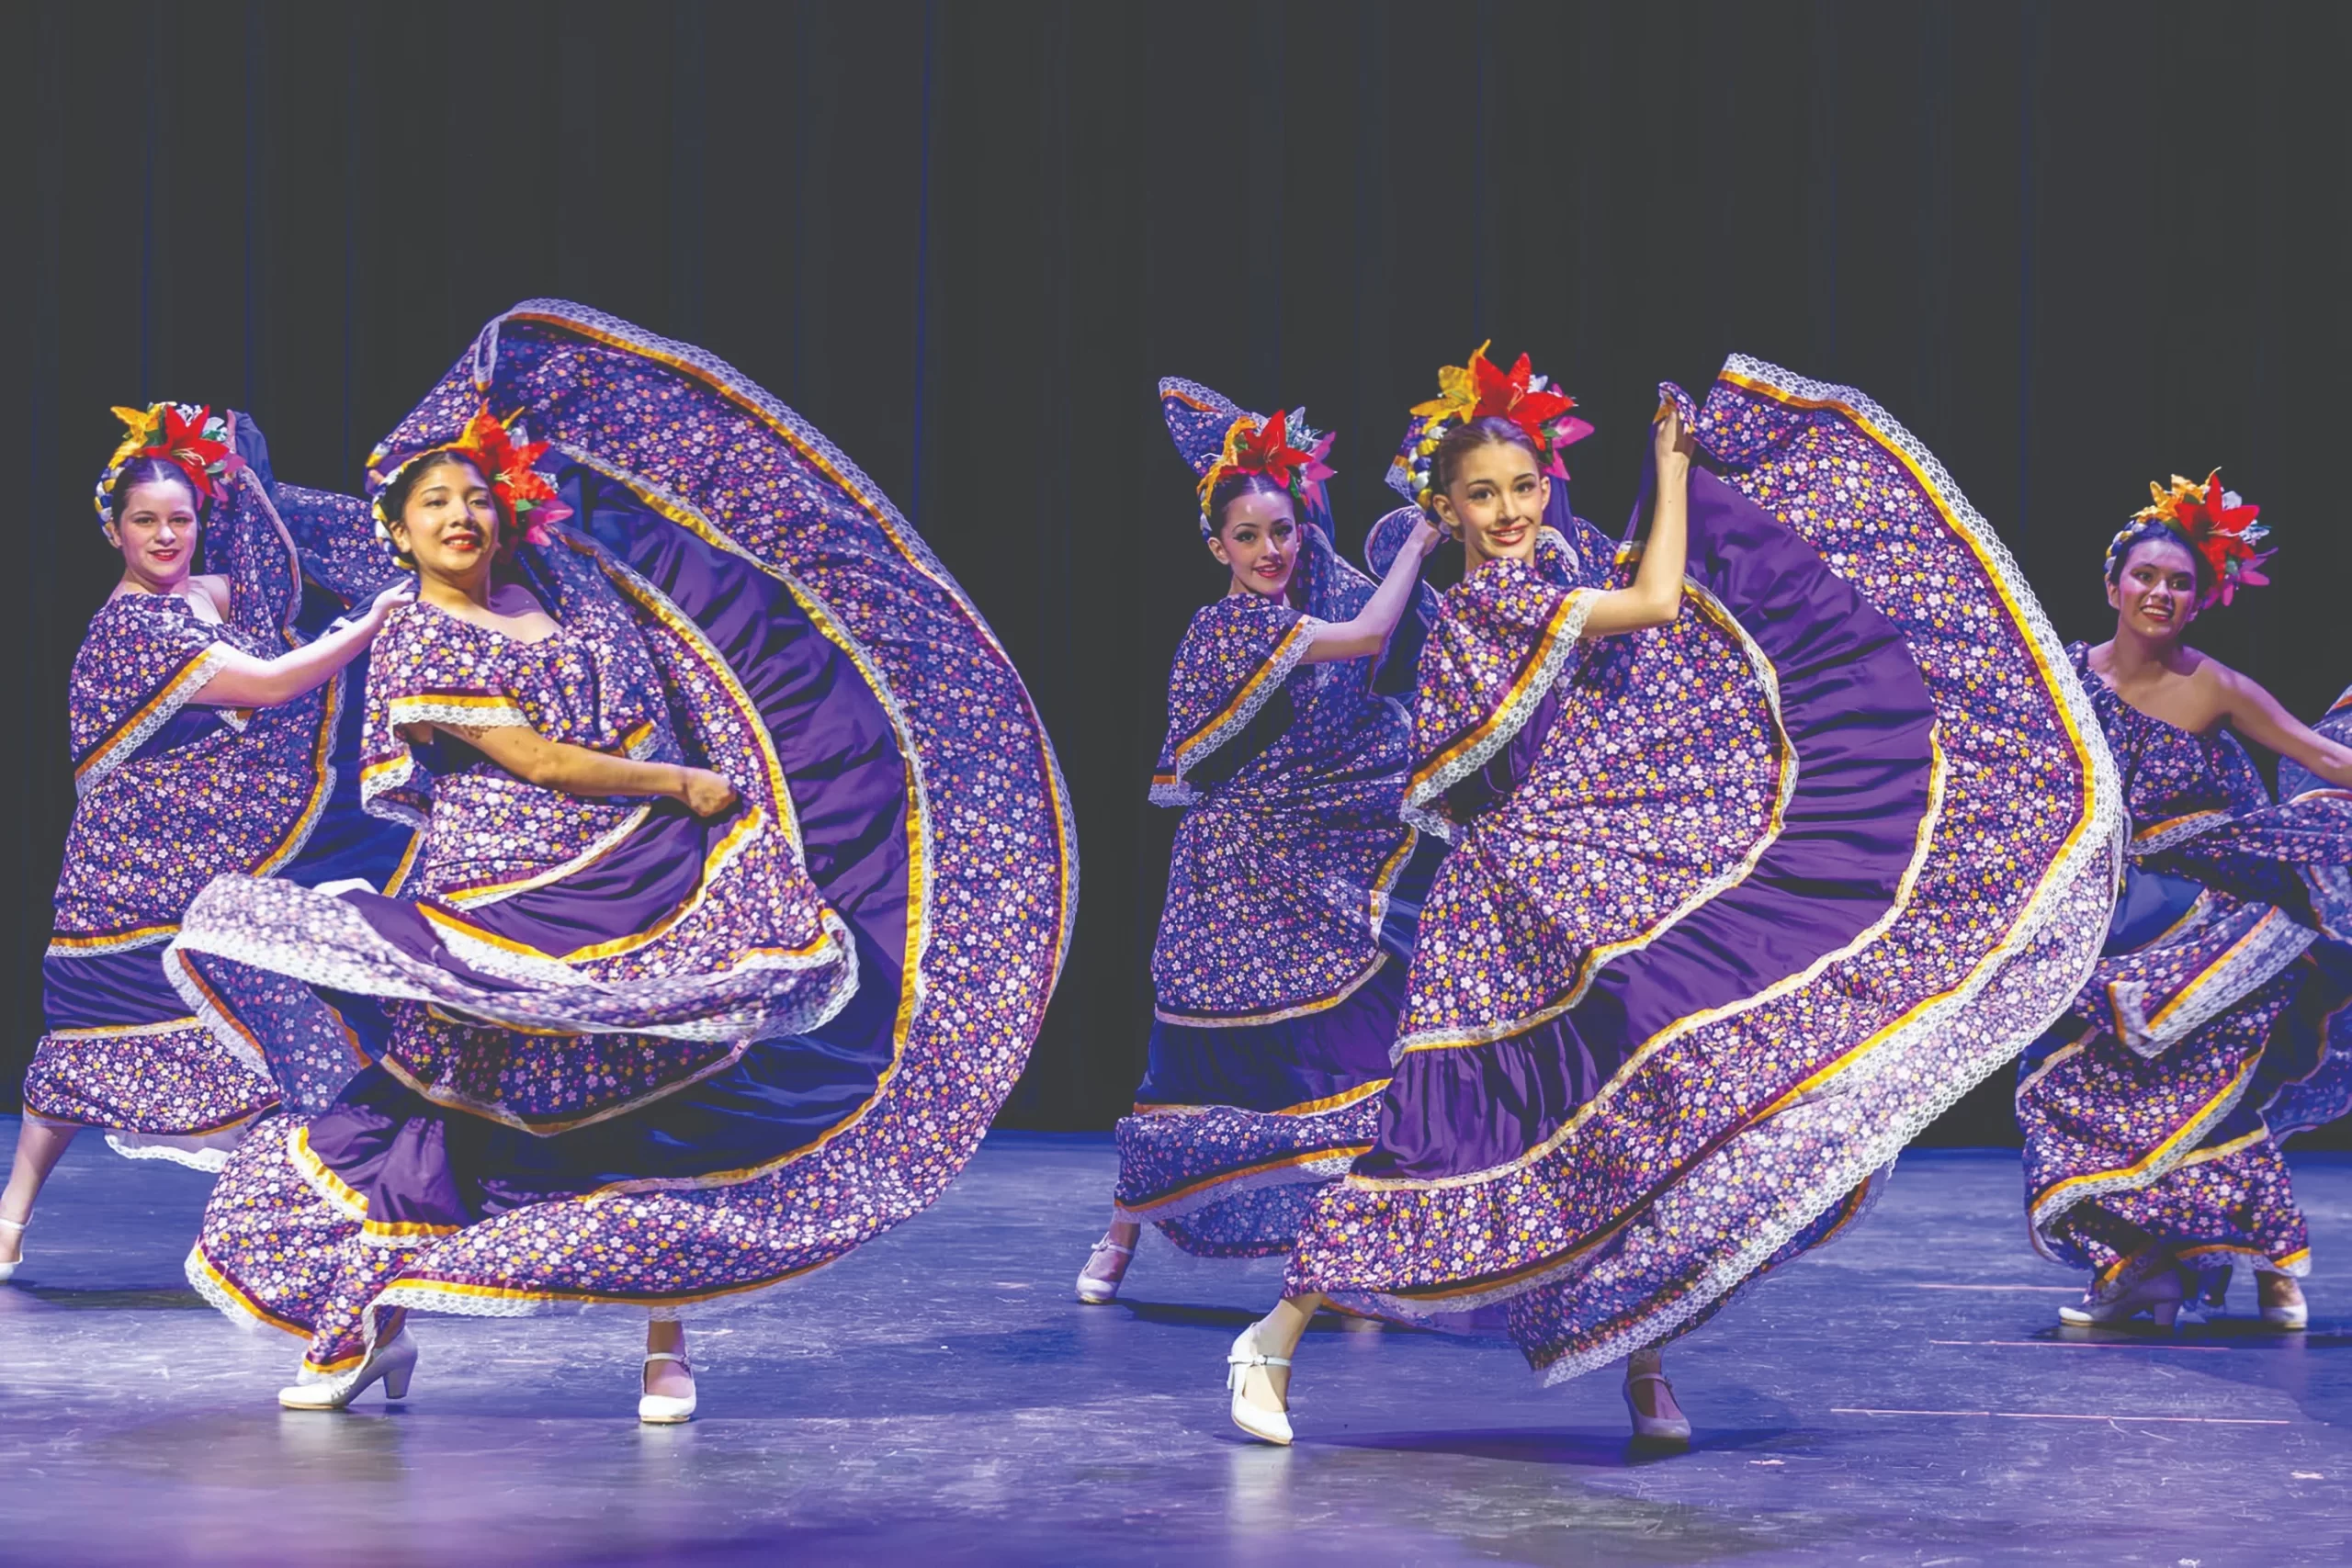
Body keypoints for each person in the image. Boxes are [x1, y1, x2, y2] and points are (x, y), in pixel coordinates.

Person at [171, 300, 1075, 1422]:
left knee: (651, 1107)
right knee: (437, 1112)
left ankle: (664, 1345)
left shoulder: (568, 598)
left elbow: (683, 670)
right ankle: (368, 1325)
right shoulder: (415, 625)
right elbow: (534, 760)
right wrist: (683, 788)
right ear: (397, 533)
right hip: (501, 895)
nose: (460, 513)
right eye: (432, 503)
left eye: (475, 495)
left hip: (639, 884)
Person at [1220, 347, 2120, 1448]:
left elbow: (1636, 603)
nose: (1505, 510)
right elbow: (1654, 600)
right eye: (1481, 494)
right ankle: (1272, 1336)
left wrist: (1667, 492)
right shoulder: (1492, 604)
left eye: (1521, 487)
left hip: (1570, 882)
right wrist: (1673, 471)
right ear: (1444, 508)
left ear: (1542, 489)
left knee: (1654, 1109)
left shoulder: (1546, 577)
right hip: (1500, 911)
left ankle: (1641, 1356)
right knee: (1436, 1136)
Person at [0, 404, 411, 1283]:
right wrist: (367, 626)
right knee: (83, 1043)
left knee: (216, 1048)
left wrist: (256, 499)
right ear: (112, 529)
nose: (164, 536)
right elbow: (266, 684)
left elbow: (271, 589)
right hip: (125, 875)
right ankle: (15, 1214)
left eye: (180, 519)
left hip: (183, 860)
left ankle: (284, 1221)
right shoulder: (133, 627)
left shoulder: (193, 593)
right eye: (144, 521)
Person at [1076, 383, 1440, 1303]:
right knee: (1186, 1064)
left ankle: (1354, 1252)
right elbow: (1367, 635)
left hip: (1308, 870)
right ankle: (1120, 1234)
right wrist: (1424, 539)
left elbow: (1373, 660)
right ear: (1217, 549)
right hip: (1226, 881)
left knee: (1349, 1049)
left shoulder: (1300, 608)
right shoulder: (1227, 627)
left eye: (1281, 530)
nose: (1269, 550)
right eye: (1247, 536)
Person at [2017, 471, 2352, 1330]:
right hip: (2100, 910)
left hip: (2207, 905)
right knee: (2055, 1085)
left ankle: (2272, 1264)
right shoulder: (2060, 677)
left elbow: (2327, 761)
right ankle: (2142, 1269)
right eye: (2146, 577)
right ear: (2112, 586)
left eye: (2179, 583)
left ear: (2199, 602)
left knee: (2209, 1086)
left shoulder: (2217, 686)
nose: (2160, 592)